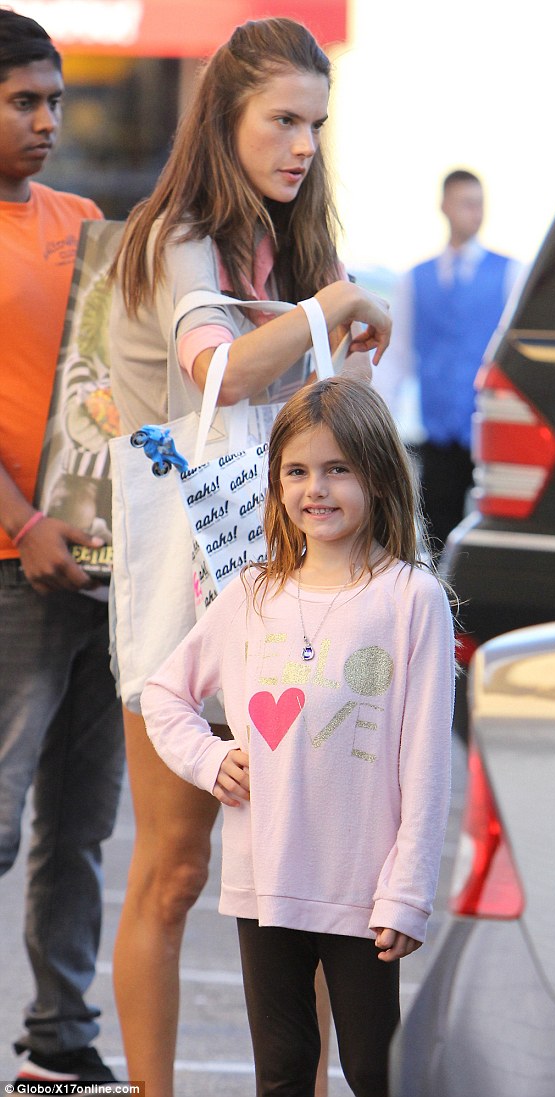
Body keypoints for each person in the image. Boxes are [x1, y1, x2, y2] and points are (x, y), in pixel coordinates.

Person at [108, 16, 392, 1096]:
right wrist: (327, 310)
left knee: (315, 879)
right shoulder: (176, 230)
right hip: (186, 588)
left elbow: (321, 417)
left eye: (316, 123)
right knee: (174, 872)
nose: (303, 144)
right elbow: (214, 371)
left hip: (298, 591)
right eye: (282, 119)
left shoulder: (300, 244)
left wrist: (351, 353)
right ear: (222, 117)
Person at [141, 376, 455, 1097]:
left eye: (338, 468)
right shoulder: (251, 593)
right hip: (266, 885)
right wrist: (210, 756)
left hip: (364, 891)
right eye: (298, 470)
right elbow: (165, 693)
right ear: (276, 481)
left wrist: (407, 891)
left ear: (378, 475)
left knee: (377, 1072)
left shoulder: (412, 598)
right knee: (281, 1072)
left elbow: (426, 761)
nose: (317, 488)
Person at [0, 9, 125, 1085]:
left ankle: (59, 1045)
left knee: (79, 825)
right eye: (23, 100)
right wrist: (23, 522)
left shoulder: (86, 222)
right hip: (11, 569)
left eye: (53, 99)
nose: (48, 119)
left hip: (103, 572)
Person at [384, 169, 522, 550]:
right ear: (445, 206)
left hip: (492, 429)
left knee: (493, 530)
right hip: (438, 433)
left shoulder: (510, 273)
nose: (474, 213)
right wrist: (381, 422)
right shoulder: (414, 279)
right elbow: (397, 358)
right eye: (466, 203)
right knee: (436, 528)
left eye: (479, 204)